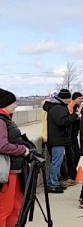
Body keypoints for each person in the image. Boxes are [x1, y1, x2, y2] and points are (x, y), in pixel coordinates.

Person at [0, 89, 33, 226]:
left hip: (14, 170)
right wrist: (23, 150)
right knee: (5, 208)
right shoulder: (1, 121)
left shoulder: (5, 119)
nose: (15, 105)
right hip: (8, 172)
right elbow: (2, 145)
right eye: (12, 102)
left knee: (16, 206)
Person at [43, 88, 78, 193]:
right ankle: (52, 184)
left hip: (57, 139)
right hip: (57, 140)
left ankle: (55, 182)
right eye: (69, 99)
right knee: (56, 162)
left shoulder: (56, 107)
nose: (70, 101)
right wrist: (75, 116)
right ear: (66, 99)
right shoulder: (59, 108)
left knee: (57, 162)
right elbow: (62, 122)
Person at [65, 92, 83, 184]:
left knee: (77, 154)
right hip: (70, 136)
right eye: (80, 99)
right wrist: (77, 115)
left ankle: (72, 173)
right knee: (72, 155)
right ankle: (71, 174)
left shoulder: (77, 106)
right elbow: (69, 119)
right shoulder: (71, 106)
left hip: (74, 135)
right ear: (75, 99)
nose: (82, 100)